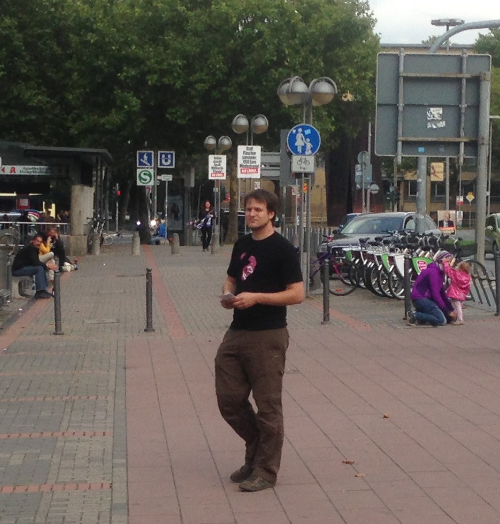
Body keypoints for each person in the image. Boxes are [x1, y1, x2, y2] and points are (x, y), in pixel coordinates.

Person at [214, 189, 304, 492]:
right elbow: (231, 277)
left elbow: (297, 294)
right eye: (248, 209)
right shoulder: (241, 244)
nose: (251, 214)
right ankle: (254, 446)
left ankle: (265, 470)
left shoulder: (283, 250)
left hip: (268, 335)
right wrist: (229, 293)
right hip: (237, 331)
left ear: (271, 214)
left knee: (268, 407)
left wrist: (258, 298)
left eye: (258, 210)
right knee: (229, 399)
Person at [409, 251, 457, 326]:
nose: (449, 265)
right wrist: (447, 311)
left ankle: (422, 316)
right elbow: (436, 294)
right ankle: (416, 315)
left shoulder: (440, 273)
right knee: (441, 320)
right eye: (447, 262)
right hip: (421, 298)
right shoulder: (433, 272)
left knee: (448, 318)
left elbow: (442, 293)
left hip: (425, 299)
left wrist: (450, 309)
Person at [11, 234, 58, 299]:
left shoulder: (33, 248)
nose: (38, 243)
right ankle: (40, 291)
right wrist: (47, 266)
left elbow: (35, 262)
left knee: (40, 268)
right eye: (37, 241)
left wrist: (46, 266)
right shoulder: (31, 248)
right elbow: (35, 262)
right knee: (39, 268)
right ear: (33, 241)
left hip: (22, 268)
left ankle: (42, 290)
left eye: (40, 242)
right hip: (18, 270)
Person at [443, 259, 472, 326]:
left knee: (457, 307)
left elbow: (448, 270)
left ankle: (460, 319)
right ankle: (455, 318)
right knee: (458, 307)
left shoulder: (456, 274)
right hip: (462, 295)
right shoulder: (467, 277)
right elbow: (468, 287)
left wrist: (445, 262)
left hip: (455, 294)